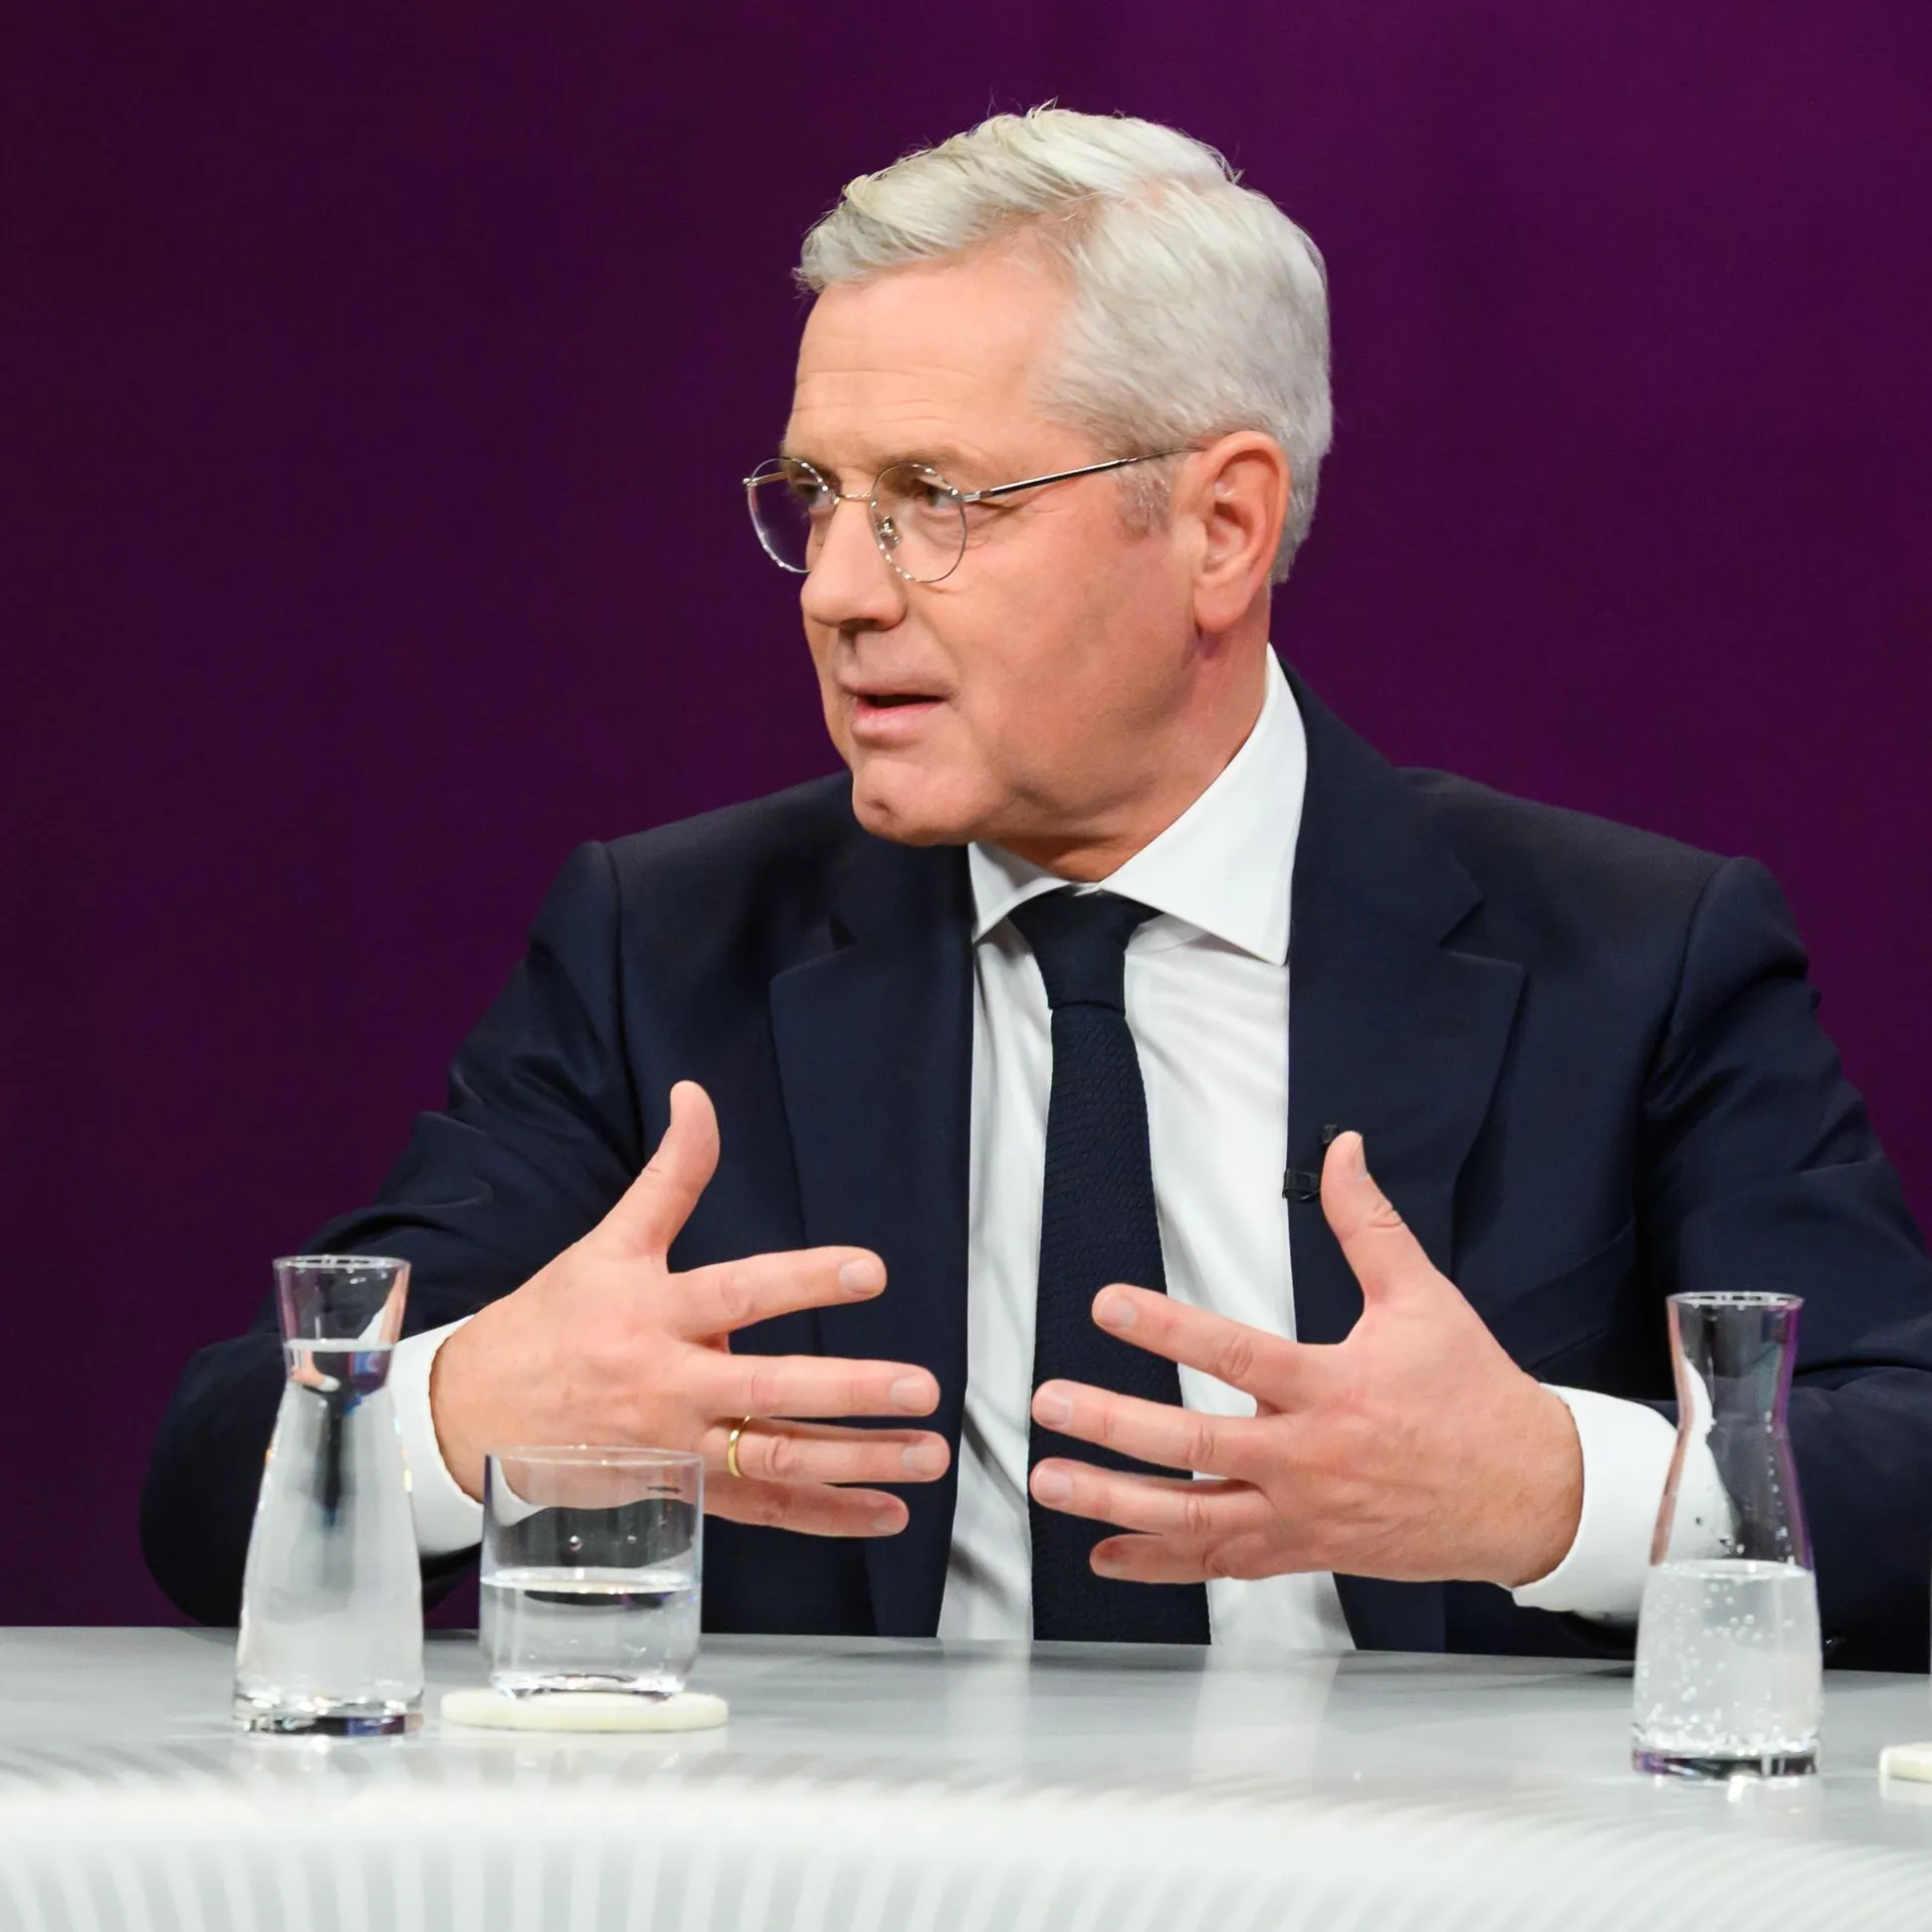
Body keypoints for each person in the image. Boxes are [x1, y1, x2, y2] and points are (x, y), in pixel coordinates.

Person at [144, 108, 1932, 1665]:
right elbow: (214, 1480)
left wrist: (1560, 1492)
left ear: (1221, 528)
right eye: (817, 496)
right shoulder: (666, 951)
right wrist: (466, 1411)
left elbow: (1904, 1457)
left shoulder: (1631, 959)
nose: (838, 590)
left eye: (935, 498)